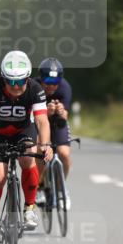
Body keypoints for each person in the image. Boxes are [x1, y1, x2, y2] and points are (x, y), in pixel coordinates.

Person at [0, 50, 52, 244]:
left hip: (23, 131)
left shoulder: (35, 89)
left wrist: (45, 145)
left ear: (27, 78)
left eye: (20, 82)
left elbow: (42, 121)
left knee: (28, 158)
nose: (16, 87)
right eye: (11, 82)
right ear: (3, 78)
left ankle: (29, 208)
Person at [34, 58, 74, 209]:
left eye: (55, 82)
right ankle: (39, 186)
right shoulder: (33, 86)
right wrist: (45, 112)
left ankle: (61, 188)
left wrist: (61, 112)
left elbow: (66, 116)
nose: (52, 86)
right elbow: (28, 115)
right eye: (48, 81)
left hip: (57, 123)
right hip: (37, 122)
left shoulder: (65, 88)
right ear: (41, 78)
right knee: (41, 152)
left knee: (64, 154)